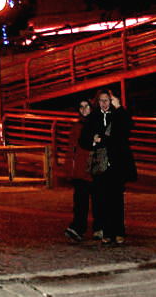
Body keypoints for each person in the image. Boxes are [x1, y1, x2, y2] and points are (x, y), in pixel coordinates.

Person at [81, 88, 136, 244]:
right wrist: (93, 140)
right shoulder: (94, 117)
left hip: (116, 163)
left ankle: (119, 231)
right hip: (100, 163)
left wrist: (119, 108)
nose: (104, 104)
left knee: (117, 199)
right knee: (102, 199)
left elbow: (128, 127)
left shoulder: (117, 115)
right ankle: (106, 231)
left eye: (107, 100)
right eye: (101, 101)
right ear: (97, 102)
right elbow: (83, 139)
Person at [64, 98, 98, 242]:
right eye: (81, 107)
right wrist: (69, 169)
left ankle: (99, 228)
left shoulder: (96, 124)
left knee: (97, 201)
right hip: (79, 170)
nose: (84, 110)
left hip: (92, 168)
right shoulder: (77, 126)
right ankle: (77, 227)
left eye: (87, 106)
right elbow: (71, 150)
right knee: (80, 201)